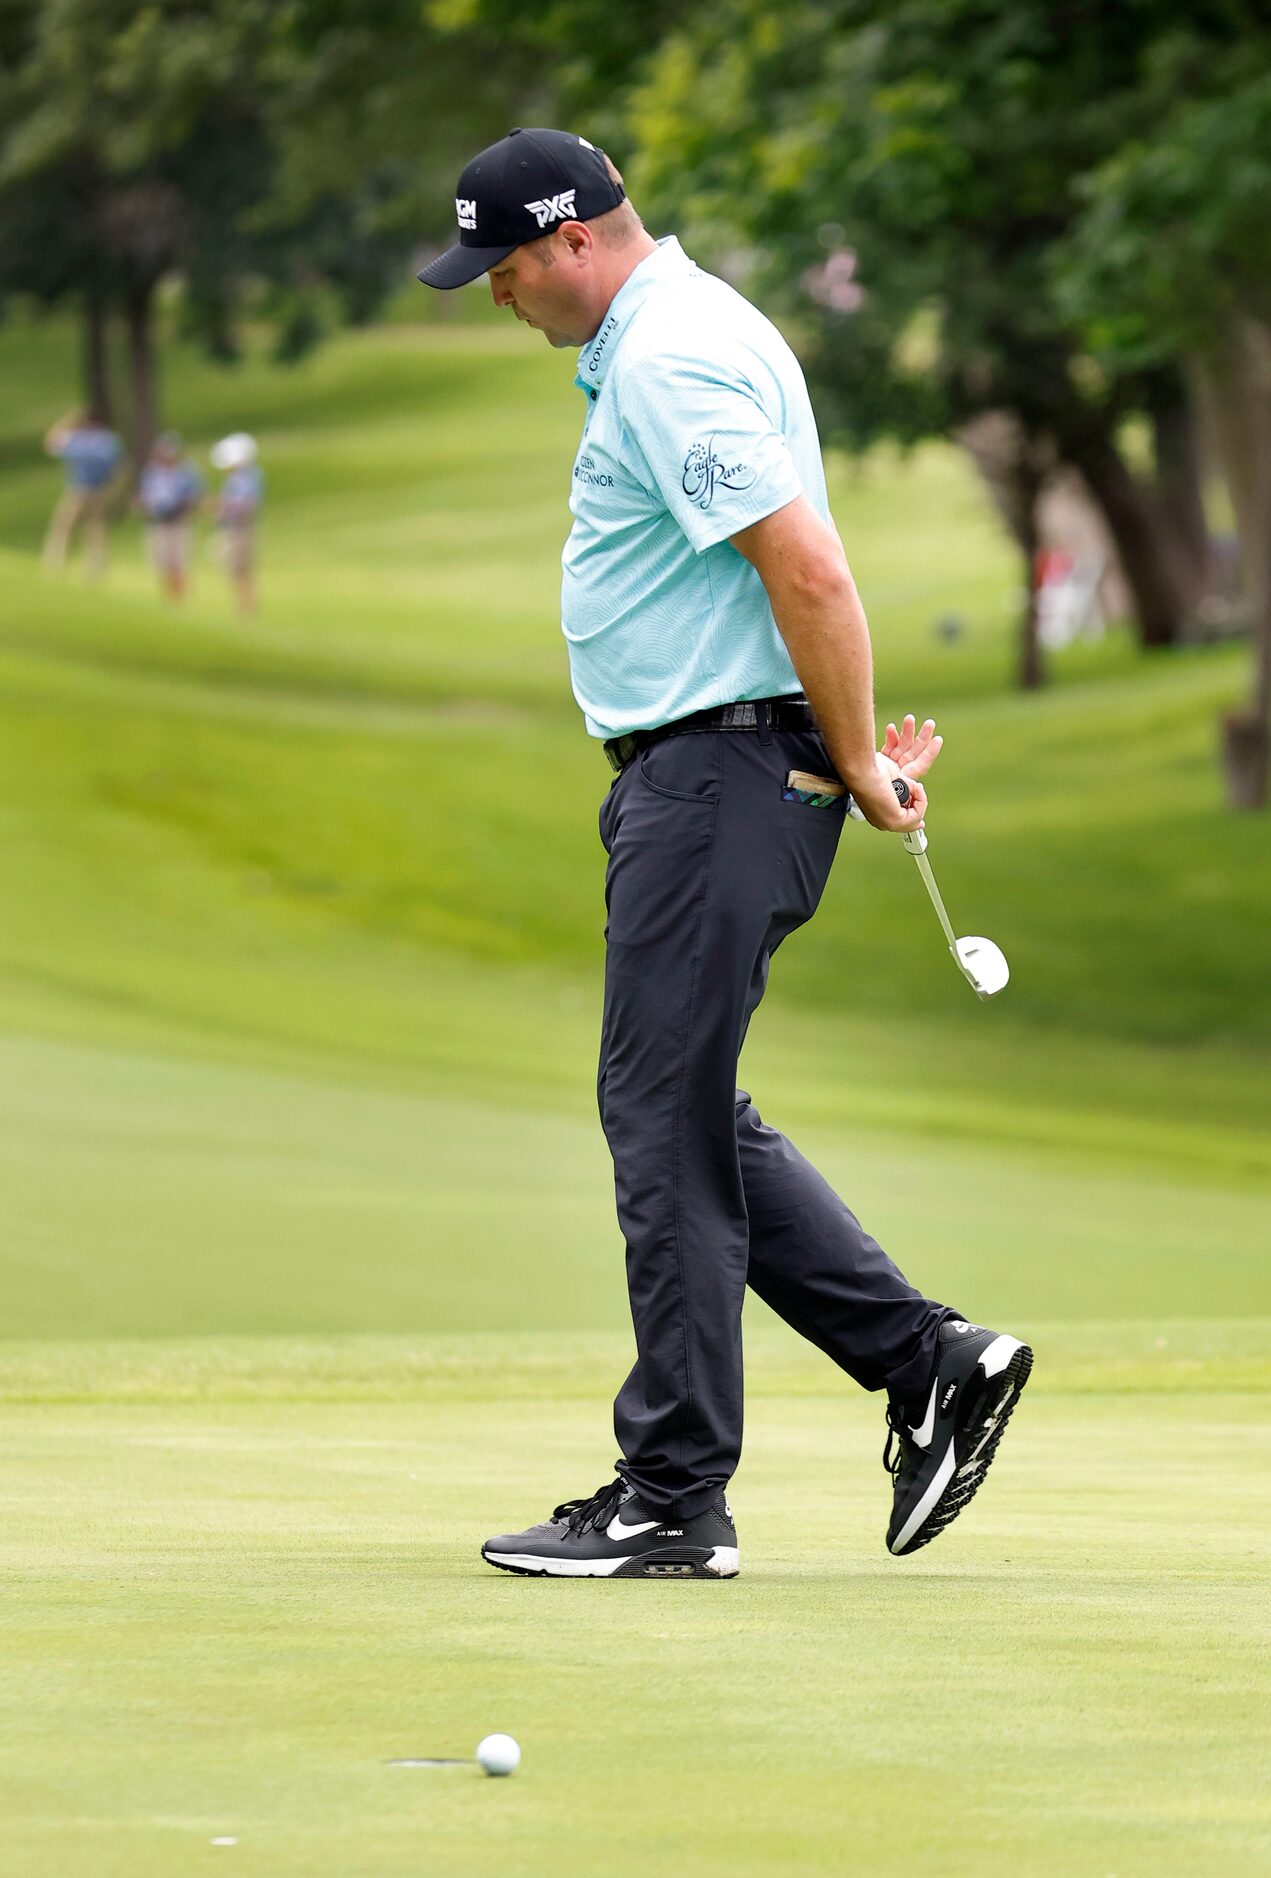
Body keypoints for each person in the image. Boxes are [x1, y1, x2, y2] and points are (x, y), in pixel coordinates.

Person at [420, 128, 1032, 1580]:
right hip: (712, 773)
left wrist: (865, 762)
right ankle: (926, 1357)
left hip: (717, 774)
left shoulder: (670, 354)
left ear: (571, 239)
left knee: (657, 1116)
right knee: (686, 1101)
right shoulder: (673, 335)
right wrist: (846, 756)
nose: (493, 293)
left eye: (499, 265)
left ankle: (673, 1493)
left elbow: (806, 567)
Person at [42, 408, 125, 580]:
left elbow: (51, 443)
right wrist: (114, 492)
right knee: (95, 532)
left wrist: (67, 420)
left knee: (63, 529)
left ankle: (54, 566)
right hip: (101, 491)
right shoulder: (109, 441)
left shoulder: (78, 439)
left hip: (79, 490)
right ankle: (96, 572)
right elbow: (119, 468)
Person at [136, 432, 203, 600]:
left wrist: (182, 505)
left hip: (179, 521)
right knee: (162, 561)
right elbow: (143, 495)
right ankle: (170, 597)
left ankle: (180, 597)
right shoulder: (152, 472)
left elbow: (195, 496)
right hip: (158, 521)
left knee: (179, 561)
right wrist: (144, 504)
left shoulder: (187, 471)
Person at [210, 432, 264, 615]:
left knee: (242, 571)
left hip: (242, 530)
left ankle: (247, 609)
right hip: (232, 529)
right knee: (234, 571)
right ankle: (242, 608)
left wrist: (222, 505)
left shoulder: (249, 477)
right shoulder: (235, 479)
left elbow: (248, 505)